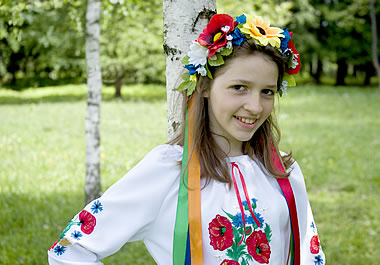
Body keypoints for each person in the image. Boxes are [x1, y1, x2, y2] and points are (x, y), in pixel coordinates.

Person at [48, 13, 325, 265]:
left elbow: (311, 257)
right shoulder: (167, 171)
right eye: (239, 87)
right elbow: (70, 251)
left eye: (267, 92)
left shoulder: (283, 173)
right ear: (204, 86)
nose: (255, 106)